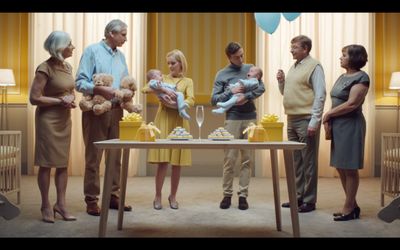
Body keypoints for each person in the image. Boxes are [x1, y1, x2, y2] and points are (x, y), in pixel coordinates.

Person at [75, 19, 132, 216]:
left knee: (115, 157)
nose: (126, 38)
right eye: (123, 34)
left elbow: (125, 81)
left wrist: (127, 92)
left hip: (117, 110)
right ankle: (91, 199)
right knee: (93, 156)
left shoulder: (121, 56)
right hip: (96, 111)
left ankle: (113, 196)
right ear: (111, 34)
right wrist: (99, 88)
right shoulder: (92, 51)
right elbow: (80, 82)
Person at [211, 42, 265, 210]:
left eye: (242, 55)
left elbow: (262, 87)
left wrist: (247, 97)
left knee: (247, 159)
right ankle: (227, 195)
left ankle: (243, 195)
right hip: (232, 119)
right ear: (229, 57)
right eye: (237, 57)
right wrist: (231, 93)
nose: (241, 59)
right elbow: (214, 99)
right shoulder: (222, 74)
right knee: (230, 159)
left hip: (250, 118)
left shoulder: (251, 69)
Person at [29, 31, 77, 223]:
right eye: (69, 44)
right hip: (47, 121)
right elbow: (34, 98)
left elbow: (70, 91)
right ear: (59, 47)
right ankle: (45, 205)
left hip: (64, 120)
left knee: (63, 164)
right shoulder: (44, 68)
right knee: (46, 164)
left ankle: (61, 205)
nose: (73, 47)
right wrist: (59, 101)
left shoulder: (67, 67)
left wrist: (71, 99)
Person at [276, 35, 326, 213]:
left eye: (295, 47)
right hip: (291, 119)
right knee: (297, 161)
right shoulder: (294, 66)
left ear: (305, 49)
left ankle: (310, 200)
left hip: (306, 120)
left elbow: (320, 95)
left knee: (309, 162)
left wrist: (314, 121)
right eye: (291, 47)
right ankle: (298, 197)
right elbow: (287, 93)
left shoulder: (315, 66)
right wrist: (281, 82)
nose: (291, 50)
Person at [141, 49, 194, 210]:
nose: (170, 66)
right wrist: (162, 90)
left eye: (173, 63)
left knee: (177, 163)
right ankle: (158, 196)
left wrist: (177, 104)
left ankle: (173, 196)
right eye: (168, 63)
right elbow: (145, 88)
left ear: (181, 63)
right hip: (163, 120)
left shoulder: (188, 81)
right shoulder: (161, 78)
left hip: (180, 121)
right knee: (162, 162)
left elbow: (191, 99)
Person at [322, 44, 369, 221]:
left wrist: (329, 114)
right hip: (339, 126)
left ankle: (348, 207)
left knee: (350, 168)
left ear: (354, 57)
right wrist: (330, 120)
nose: (340, 58)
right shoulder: (343, 76)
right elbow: (336, 100)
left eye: (344, 55)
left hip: (351, 125)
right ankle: (353, 205)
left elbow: (352, 104)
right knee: (341, 166)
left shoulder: (362, 77)